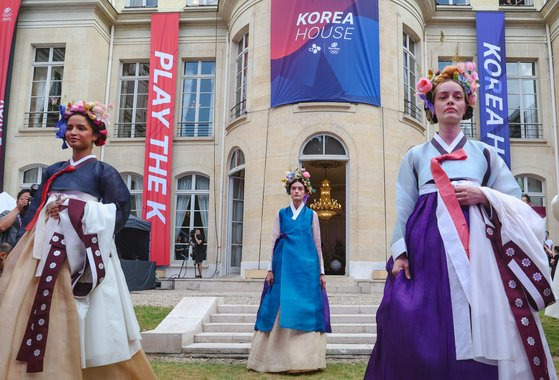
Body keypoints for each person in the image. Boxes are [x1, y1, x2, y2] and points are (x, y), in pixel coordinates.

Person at [365, 64, 556, 379]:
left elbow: (513, 199)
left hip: (478, 249)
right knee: (412, 314)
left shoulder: (486, 153)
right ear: (432, 106)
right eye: (442, 97)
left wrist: (483, 195)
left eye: (457, 95)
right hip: (425, 246)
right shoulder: (415, 155)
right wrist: (400, 252)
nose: (450, 101)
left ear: (467, 104)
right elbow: (403, 205)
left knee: (477, 312)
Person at [0, 101, 156, 379]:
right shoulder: (53, 170)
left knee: (95, 316)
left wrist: (79, 211)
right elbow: (35, 213)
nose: (73, 132)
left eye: (81, 128)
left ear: (95, 135)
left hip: (85, 257)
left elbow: (120, 213)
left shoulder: (103, 172)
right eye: (69, 127)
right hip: (46, 249)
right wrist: (49, 213)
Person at [248, 168, 331, 373]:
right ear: (289, 191)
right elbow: (272, 241)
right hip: (283, 265)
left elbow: (318, 245)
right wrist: (270, 269)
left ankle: (305, 361)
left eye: (300, 188)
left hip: (306, 269)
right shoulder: (281, 214)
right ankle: (276, 359)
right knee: (278, 304)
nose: (296, 191)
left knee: (304, 306)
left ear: (305, 192)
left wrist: (321, 272)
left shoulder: (312, 215)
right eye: (293, 188)